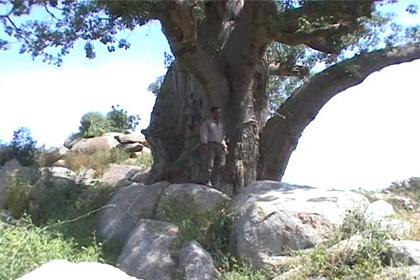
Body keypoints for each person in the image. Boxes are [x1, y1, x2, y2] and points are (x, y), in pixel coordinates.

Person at [199, 106, 228, 187]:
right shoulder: (208, 123)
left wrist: (224, 146)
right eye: (216, 113)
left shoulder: (221, 125)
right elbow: (204, 133)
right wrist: (204, 144)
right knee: (209, 164)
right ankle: (207, 180)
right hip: (211, 144)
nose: (218, 114)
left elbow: (222, 136)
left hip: (220, 145)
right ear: (212, 113)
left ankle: (216, 182)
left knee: (220, 164)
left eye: (219, 113)